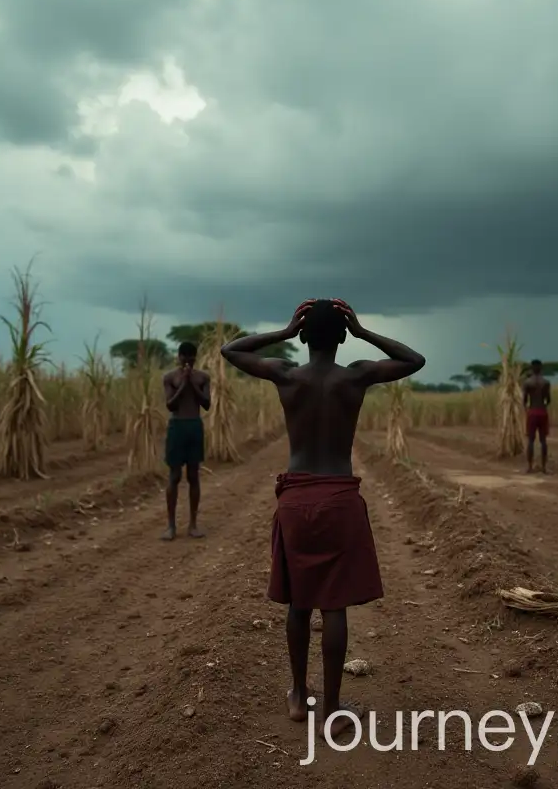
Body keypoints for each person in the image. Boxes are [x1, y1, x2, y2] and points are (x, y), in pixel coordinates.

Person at [221, 298, 425, 742]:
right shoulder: (355, 377)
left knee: (299, 601)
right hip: (338, 498)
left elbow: (232, 351)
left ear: (304, 336)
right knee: (333, 605)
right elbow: (414, 360)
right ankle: (332, 707)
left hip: (295, 499)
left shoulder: (287, 375)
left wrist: (282, 332)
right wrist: (365, 332)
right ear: (341, 337)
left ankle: (298, 694)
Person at [161, 341, 211, 540]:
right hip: (177, 427)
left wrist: (191, 383)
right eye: (184, 359)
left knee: (193, 476)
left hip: (194, 426)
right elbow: (170, 405)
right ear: (179, 357)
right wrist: (183, 384)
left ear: (195, 359)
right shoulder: (169, 378)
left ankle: (192, 525)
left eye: (191, 360)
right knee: (174, 476)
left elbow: (206, 404)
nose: (187, 364)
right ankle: (171, 526)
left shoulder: (203, 378)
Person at [521, 359, 551, 474]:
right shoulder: (546, 382)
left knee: (531, 441)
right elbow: (548, 400)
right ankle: (544, 468)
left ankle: (530, 467)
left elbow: (524, 400)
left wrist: (527, 410)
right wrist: (543, 405)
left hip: (532, 412)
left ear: (531, 369)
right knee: (543, 441)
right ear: (541, 368)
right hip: (542, 412)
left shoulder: (528, 382)